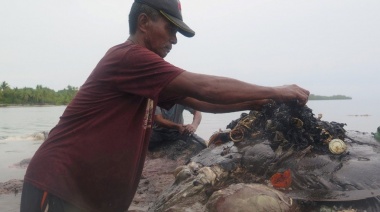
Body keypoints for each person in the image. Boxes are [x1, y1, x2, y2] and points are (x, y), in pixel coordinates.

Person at [20, 0, 310, 211]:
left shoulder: (145, 74)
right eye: (170, 29)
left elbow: (201, 101)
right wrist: (276, 90)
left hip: (89, 196)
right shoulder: (129, 57)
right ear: (144, 22)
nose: (174, 40)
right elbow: (204, 86)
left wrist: (259, 103)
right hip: (59, 184)